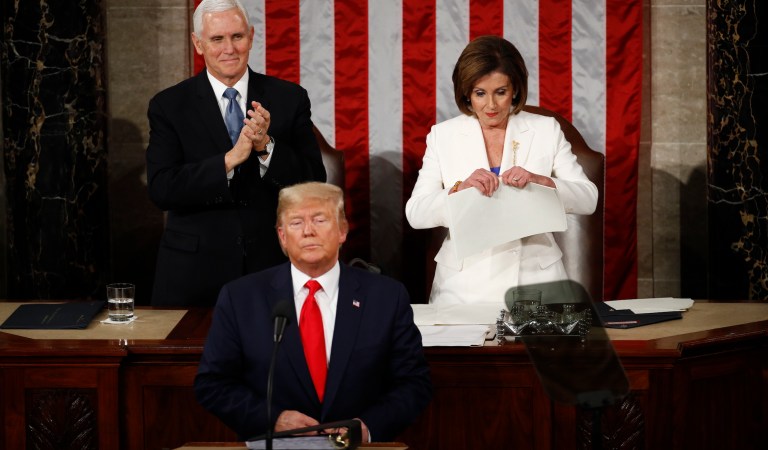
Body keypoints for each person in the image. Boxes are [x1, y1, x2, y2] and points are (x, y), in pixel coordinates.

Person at [194, 182, 432, 442]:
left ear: (342, 230)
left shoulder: (386, 297)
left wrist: (367, 427)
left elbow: (413, 383)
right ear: (282, 237)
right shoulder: (240, 298)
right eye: (296, 223)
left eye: (320, 220)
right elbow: (213, 384)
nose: (308, 231)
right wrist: (272, 419)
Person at [146, 0, 326, 307]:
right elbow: (162, 188)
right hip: (194, 273)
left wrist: (265, 147)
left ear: (252, 37)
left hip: (270, 265)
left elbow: (314, 181)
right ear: (198, 44)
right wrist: (229, 160)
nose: (229, 48)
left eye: (237, 36)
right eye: (217, 39)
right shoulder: (169, 105)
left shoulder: (289, 98)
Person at [405, 35, 598, 306]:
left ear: (516, 90)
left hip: (537, 284)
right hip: (463, 288)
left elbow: (588, 198)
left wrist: (543, 182)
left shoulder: (546, 129)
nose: (491, 106)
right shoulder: (442, 136)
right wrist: (459, 189)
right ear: (467, 94)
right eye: (480, 93)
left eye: (501, 92)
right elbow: (416, 212)